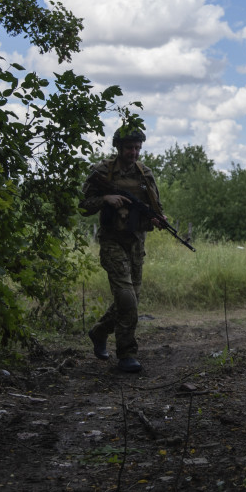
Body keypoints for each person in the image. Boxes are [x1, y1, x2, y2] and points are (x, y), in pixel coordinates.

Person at [79, 125, 167, 373]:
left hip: (136, 243)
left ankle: (99, 331)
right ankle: (127, 354)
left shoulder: (144, 173)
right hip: (112, 241)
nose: (134, 152)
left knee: (131, 300)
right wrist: (105, 199)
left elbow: (155, 207)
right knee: (126, 297)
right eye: (129, 147)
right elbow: (83, 205)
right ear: (118, 147)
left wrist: (157, 219)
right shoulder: (102, 172)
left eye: (138, 148)